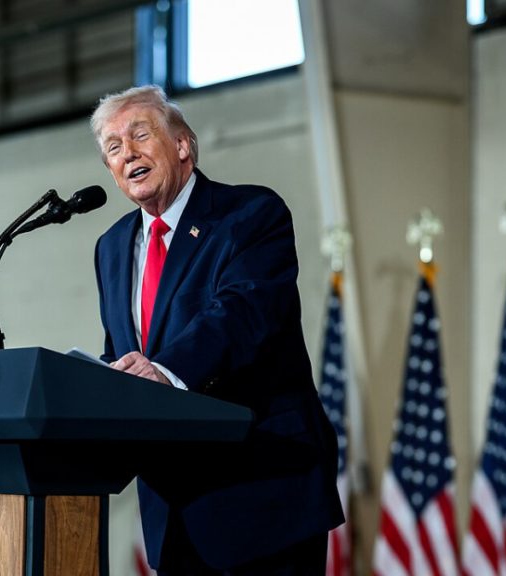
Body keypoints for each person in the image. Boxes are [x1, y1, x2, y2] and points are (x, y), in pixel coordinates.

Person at [91, 85, 344, 575]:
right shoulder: (111, 246)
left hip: (262, 493)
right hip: (171, 509)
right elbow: (122, 352)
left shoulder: (249, 215)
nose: (129, 154)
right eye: (114, 148)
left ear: (183, 145)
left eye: (140, 136)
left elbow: (241, 314)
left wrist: (164, 370)